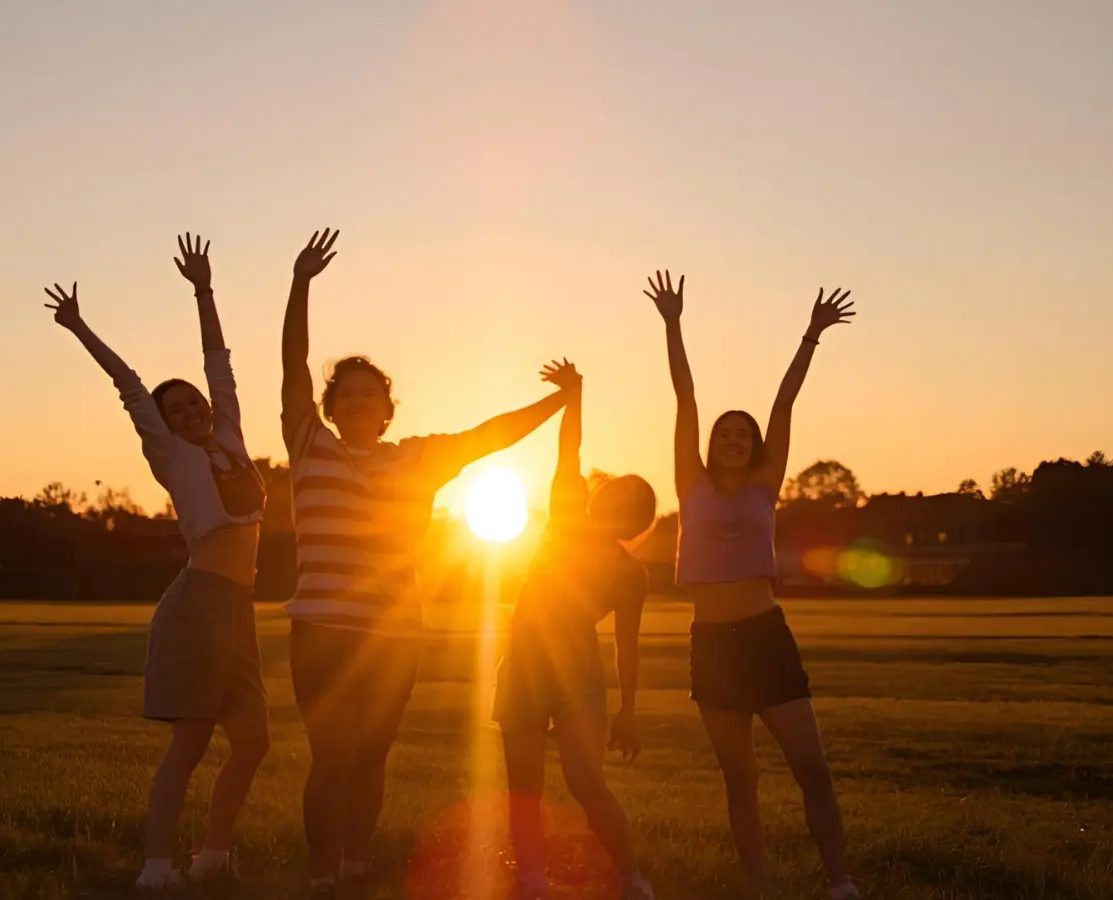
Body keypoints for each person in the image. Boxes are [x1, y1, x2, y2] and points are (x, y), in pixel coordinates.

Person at [281, 229, 578, 899]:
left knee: (373, 754)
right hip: (322, 630)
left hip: (393, 633)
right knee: (331, 757)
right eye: (346, 396)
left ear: (388, 412)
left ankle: (355, 862)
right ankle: (323, 873)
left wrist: (558, 400)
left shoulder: (414, 459)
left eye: (370, 396)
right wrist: (300, 284)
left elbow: (489, 436)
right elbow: (292, 364)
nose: (358, 404)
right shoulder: (309, 446)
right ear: (331, 410)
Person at [42, 233, 269, 892]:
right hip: (198, 605)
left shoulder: (228, 435)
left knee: (252, 742)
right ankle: (155, 867)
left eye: (193, 402)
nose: (192, 411)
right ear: (165, 425)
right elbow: (129, 385)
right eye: (178, 411)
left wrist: (204, 289)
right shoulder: (170, 456)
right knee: (192, 741)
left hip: (239, 610)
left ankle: (215, 854)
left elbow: (219, 361)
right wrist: (80, 326)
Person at [646, 270, 860, 900]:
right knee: (739, 778)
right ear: (710, 446)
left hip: (766, 635)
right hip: (712, 641)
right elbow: (684, 398)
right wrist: (673, 324)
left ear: (755, 447)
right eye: (724, 434)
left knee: (812, 770)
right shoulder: (691, 483)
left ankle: (840, 882)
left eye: (743, 435)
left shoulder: (767, 484)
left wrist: (811, 336)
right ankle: (758, 887)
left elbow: (784, 403)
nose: (734, 440)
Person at [492, 359, 659, 900]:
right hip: (523, 665)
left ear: (637, 524)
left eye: (632, 508)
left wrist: (629, 713)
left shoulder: (630, 572)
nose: (617, 508)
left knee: (586, 783)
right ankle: (532, 882)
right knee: (525, 789)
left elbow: (627, 649)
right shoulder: (564, 516)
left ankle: (632, 878)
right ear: (597, 498)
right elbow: (572, 450)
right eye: (614, 497)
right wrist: (576, 393)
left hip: (579, 676)